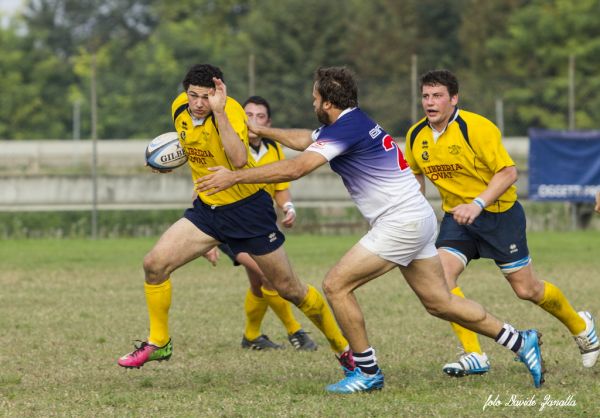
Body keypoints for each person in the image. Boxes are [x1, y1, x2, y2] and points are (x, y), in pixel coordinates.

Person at [196, 66, 546, 392]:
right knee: (440, 303)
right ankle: (519, 340)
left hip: (401, 221)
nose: (313, 103)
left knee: (336, 285)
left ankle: (367, 372)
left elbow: (296, 169)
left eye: (315, 99)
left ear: (329, 103)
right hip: (416, 217)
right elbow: (306, 138)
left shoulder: (345, 130)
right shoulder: (351, 123)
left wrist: (233, 176)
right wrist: (260, 130)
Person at [117, 64, 349, 370]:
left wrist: (221, 112)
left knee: (289, 288)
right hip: (207, 211)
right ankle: (159, 342)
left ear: (218, 92)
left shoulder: (232, 112)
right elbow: (194, 151)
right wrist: (167, 163)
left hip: (248, 211)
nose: (198, 103)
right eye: (193, 96)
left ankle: (343, 347)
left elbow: (239, 160)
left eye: (205, 97)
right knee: (154, 264)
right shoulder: (179, 109)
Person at [404, 69, 599, 377]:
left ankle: (581, 325)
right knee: (440, 281)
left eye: (438, 96)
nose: (430, 102)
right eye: (426, 96)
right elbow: (415, 172)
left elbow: (508, 173)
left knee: (527, 289)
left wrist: (478, 203)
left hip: (499, 216)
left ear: (453, 99)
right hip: (458, 219)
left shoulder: (477, 128)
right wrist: (413, 208)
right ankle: (474, 354)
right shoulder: (416, 135)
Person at [206, 96, 317, 351]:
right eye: (248, 115)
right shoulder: (228, 145)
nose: (253, 121)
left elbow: (280, 188)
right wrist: (205, 239)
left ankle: (252, 336)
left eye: (260, 116)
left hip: (256, 225)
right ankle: (295, 331)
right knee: (268, 275)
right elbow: (203, 187)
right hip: (226, 224)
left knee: (258, 283)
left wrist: (288, 207)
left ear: (269, 122)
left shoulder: (273, 149)